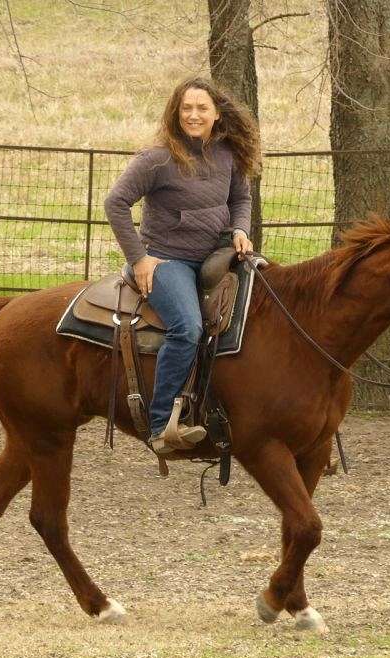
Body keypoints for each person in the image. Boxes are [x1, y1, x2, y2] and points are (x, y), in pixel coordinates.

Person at [103, 76, 261, 455]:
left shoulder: (228, 154)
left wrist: (239, 229)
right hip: (167, 260)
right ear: (176, 113)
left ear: (217, 113)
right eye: (186, 108)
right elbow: (115, 203)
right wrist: (138, 259)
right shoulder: (156, 159)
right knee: (188, 328)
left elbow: (241, 198)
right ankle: (161, 425)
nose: (193, 115)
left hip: (216, 256)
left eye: (201, 108)